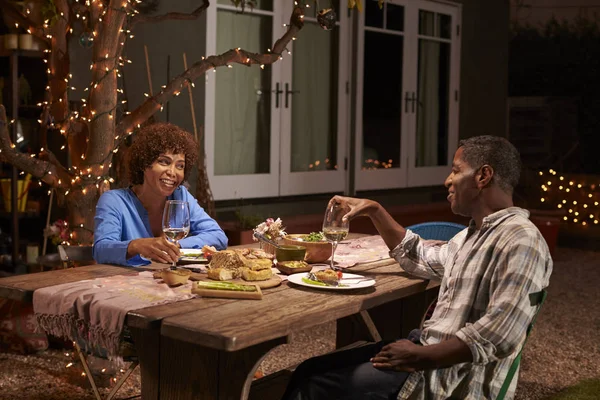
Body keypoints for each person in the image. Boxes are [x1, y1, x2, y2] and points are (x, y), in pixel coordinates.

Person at [282, 135, 553, 400]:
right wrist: (375, 210)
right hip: (423, 349)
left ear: (483, 176)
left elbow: (501, 333)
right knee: (308, 370)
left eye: (456, 171)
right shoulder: (471, 236)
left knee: (315, 388)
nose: (448, 180)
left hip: (447, 375)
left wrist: (420, 356)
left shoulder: (521, 240)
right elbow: (419, 256)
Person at [93, 122, 228, 267]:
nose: (172, 172)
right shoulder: (114, 201)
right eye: (164, 162)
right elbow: (101, 250)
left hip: (169, 284)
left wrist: (173, 246)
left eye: (180, 166)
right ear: (144, 164)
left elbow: (218, 236)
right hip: (126, 286)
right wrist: (135, 246)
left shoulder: (180, 196)